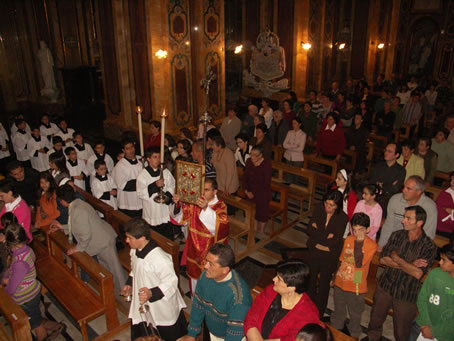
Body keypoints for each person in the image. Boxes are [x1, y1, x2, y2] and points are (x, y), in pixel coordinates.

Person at [365, 206, 437, 341]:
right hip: (385, 285)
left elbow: (417, 273)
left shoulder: (428, 246)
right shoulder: (397, 235)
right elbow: (384, 259)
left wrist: (398, 259)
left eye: (408, 218)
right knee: (375, 320)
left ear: (419, 223)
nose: (403, 221)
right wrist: (409, 264)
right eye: (404, 217)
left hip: (406, 292)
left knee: (402, 330)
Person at [120, 218, 187, 341]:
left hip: (161, 304)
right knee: (145, 330)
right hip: (142, 299)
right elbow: (135, 269)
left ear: (141, 238)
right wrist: (130, 283)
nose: (126, 240)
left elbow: (171, 282)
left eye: (130, 238)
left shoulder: (160, 258)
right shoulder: (135, 250)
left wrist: (152, 293)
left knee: (167, 334)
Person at [50, 184, 126, 290]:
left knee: (115, 269)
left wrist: (77, 248)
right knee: (107, 269)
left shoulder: (77, 210)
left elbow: (85, 235)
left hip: (103, 241)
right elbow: (78, 225)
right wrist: (61, 227)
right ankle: (114, 289)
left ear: (62, 201)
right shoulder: (77, 204)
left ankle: (126, 292)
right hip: (100, 239)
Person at [1, 223, 65, 340]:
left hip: (26, 297)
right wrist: (6, 277)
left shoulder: (20, 262)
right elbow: (10, 268)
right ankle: (56, 326)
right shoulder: (26, 249)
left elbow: (12, 288)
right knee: (35, 318)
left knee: (36, 325)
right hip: (32, 291)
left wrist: (5, 287)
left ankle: (44, 336)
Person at [180, 243, 252, 341]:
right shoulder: (205, 277)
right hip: (212, 331)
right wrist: (192, 334)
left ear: (225, 270)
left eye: (211, 264)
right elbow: (198, 305)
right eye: (207, 261)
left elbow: (235, 333)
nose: (205, 266)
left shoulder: (238, 297)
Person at [171, 178, 229, 292]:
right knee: (195, 282)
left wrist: (206, 209)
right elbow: (180, 219)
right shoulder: (194, 204)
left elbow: (221, 228)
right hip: (194, 250)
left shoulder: (220, 206)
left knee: (209, 285)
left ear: (215, 191)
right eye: (202, 190)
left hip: (210, 251)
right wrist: (178, 204)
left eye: (206, 190)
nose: (202, 194)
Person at [243, 259, 321, 341]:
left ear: (291, 288)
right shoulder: (271, 291)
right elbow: (251, 318)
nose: (274, 279)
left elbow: (291, 339)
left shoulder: (308, 314)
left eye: (279, 279)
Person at [330, 213, 377, 339]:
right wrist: (335, 277)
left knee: (355, 312)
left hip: (356, 281)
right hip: (341, 279)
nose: (356, 233)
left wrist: (359, 242)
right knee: (338, 308)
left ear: (367, 229)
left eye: (360, 230)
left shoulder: (371, 245)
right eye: (354, 230)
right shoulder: (349, 239)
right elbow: (341, 259)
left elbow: (359, 262)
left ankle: (354, 334)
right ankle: (335, 329)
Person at [306, 190, 349, 318]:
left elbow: (335, 241)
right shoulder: (319, 208)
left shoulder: (343, 218)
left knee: (324, 284)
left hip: (329, 256)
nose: (328, 207)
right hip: (315, 251)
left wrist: (317, 237)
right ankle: (308, 306)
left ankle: (319, 313)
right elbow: (309, 229)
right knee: (310, 280)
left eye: (331, 205)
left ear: (338, 206)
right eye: (326, 203)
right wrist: (324, 238)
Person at [408, 243, 454, 341]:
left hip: (445, 334)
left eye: (444, 260)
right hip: (422, 324)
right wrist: (427, 324)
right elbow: (422, 298)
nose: (440, 262)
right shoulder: (435, 273)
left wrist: (434, 331)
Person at [378, 176, 437, 250]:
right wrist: (381, 245)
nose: (403, 190)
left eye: (408, 189)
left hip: (414, 247)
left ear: (418, 192)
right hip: (393, 243)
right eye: (404, 187)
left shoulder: (429, 206)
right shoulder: (395, 200)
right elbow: (388, 226)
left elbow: (428, 234)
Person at [137, 146, 177, 240]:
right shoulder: (143, 175)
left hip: (165, 212)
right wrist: (155, 185)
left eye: (159, 157)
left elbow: (172, 186)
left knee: (167, 239)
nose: (158, 160)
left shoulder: (165, 172)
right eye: (155, 157)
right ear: (148, 159)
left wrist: (167, 196)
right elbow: (140, 193)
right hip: (152, 213)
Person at [242, 145, 272, 233]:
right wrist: (246, 191)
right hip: (249, 191)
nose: (252, 157)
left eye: (255, 155)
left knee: (262, 212)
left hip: (262, 193)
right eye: (251, 154)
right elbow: (245, 177)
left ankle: (261, 230)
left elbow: (266, 182)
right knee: (253, 212)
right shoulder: (249, 162)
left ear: (260, 155)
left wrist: (254, 193)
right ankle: (254, 227)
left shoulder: (266, 165)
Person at [369, 143, 406, 211]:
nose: (386, 153)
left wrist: (381, 185)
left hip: (390, 199)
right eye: (385, 150)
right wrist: (389, 185)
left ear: (397, 155)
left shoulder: (401, 170)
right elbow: (372, 184)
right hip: (376, 197)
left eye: (389, 151)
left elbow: (395, 189)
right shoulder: (378, 166)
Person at [112, 138, 143, 218]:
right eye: (127, 148)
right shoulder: (120, 166)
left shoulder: (141, 161)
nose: (131, 150)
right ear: (123, 150)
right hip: (127, 204)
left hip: (141, 203)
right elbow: (123, 185)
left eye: (132, 147)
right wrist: (142, 181)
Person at [435, 171, 454, 236]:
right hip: (441, 228)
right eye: (452, 180)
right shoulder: (444, 193)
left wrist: (452, 212)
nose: (452, 182)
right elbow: (439, 213)